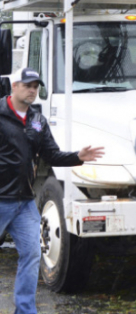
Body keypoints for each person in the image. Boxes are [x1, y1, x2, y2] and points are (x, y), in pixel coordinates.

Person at [0, 67, 104, 314]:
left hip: (24, 202)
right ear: (14, 86)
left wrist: (78, 156)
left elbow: (51, 154)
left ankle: (25, 310)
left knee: (32, 255)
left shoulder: (37, 120)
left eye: (36, 86)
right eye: (27, 85)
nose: (32, 90)